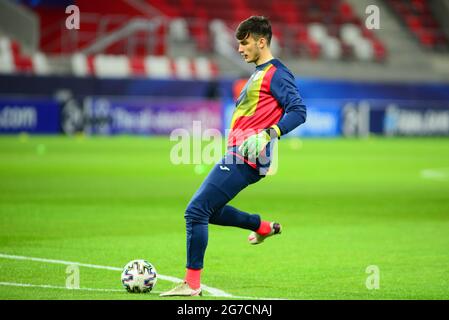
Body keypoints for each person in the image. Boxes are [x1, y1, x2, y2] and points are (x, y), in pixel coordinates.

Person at [160, 16, 307, 297]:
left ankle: (191, 285)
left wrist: (268, 133)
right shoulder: (258, 72)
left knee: (195, 211)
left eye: (245, 43)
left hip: (248, 157)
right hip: (239, 153)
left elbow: (299, 111)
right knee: (209, 211)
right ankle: (262, 226)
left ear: (261, 42)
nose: (240, 49)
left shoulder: (277, 73)